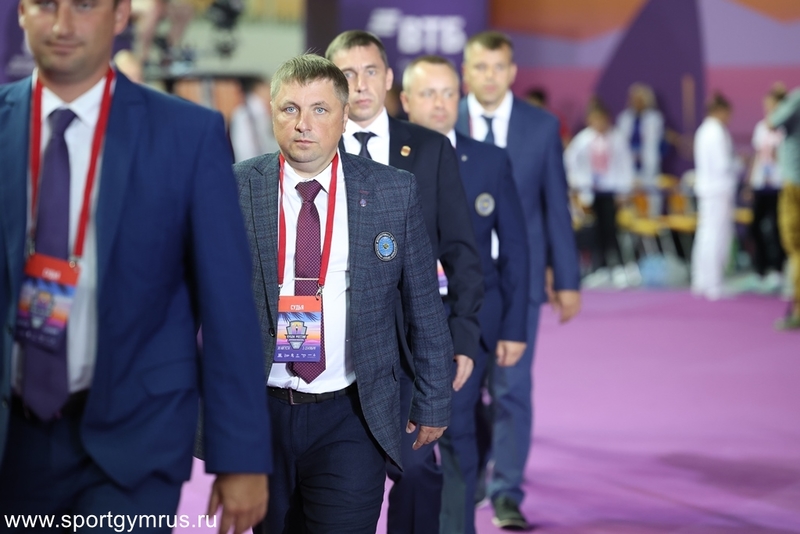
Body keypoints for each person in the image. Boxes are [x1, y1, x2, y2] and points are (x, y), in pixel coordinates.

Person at [0, 0, 270, 531]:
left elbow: (228, 303)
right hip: (14, 443)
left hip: (136, 441)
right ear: (21, 12)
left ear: (121, 15)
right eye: (46, 4)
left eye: (84, 5)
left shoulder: (187, 134)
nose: (63, 24)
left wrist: (240, 452)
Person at [234, 53, 454, 533]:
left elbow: (423, 304)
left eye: (319, 109)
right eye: (290, 109)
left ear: (343, 115)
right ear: (272, 112)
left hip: (352, 413)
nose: (303, 124)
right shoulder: (235, 188)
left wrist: (434, 398)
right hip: (260, 412)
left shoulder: (392, 191)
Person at [325, 31, 483, 534]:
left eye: (370, 71)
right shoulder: (314, 149)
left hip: (411, 347)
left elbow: (461, 252)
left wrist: (464, 336)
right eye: (347, 74)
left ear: (389, 78)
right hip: (333, 345)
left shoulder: (431, 149)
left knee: (416, 471)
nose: (360, 84)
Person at [456, 30, 581, 530]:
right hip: (457, 285)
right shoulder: (442, 122)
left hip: (518, 283)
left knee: (511, 388)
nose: (489, 76)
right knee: (464, 387)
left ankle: (507, 490)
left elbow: (556, 208)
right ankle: (475, 470)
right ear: (466, 72)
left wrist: (567, 279)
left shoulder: (540, 127)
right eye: (479, 67)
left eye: (498, 67)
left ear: (511, 72)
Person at [400, 55, 530, 534]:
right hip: (398, 323)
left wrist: (514, 326)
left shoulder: (489, 161)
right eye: (428, 93)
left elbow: (515, 247)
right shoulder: (381, 158)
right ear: (406, 100)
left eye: (448, 93)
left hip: (466, 319)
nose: (440, 104)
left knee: (457, 430)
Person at [565, 99, 635, 288]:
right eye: (595, 119)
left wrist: (624, 191)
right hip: (590, 191)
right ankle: (599, 268)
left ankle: (617, 267)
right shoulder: (583, 140)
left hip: (611, 191)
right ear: (589, 120)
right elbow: (570, 163)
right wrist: (577, 187)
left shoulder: (617, 138)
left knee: (611, 229)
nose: (599, 123)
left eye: (601, 119)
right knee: (595, 231)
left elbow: (626, 165)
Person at [691, 93, 738, 301]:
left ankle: (701, 280)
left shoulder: (702, 130)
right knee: (716, 235)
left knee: (705, 234)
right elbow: (722, 165)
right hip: (718, 189)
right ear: (720, 111)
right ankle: (714, 283)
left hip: (708, 189)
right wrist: (739, 164)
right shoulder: (717, 131)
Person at [749, 85, 787, 293]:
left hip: (779, 185)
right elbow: (757, 155)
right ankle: (760, 269)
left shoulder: (785, 127)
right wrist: (750, 181)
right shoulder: (760, 127)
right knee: (755, 227)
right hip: (761, 184)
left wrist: (777, 156)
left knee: (778, 228)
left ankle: (778, 270)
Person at [769, 87, 800, 329]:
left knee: (795, 247)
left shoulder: (797, 98)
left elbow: (771, 122)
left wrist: (783, 99)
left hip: (795, 185)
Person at [616, 83, 665, 216]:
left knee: (651, 201)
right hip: (629, 167)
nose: (636, 103)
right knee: (628, 203)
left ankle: (652, 224)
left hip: (648, 167)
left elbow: (654, 144)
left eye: (640, 100)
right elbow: (621, 144)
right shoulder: (624, 118)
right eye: (634, 99)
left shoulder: (654, 119)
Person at [229, 76, 279, 162]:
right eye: (266, 88)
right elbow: (244, 149)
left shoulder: (260, 112)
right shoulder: (248, 112)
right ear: (257, 89)